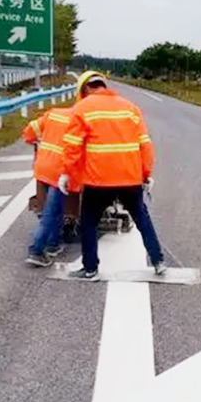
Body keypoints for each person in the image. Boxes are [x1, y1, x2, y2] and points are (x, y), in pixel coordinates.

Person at [59, 71, 166, 281]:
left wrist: (66, 174)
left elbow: (72, 147)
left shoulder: (83, 108)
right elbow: (145, 144)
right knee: (142, 218)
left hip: (99, 180)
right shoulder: (131, 108)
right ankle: (158, 261)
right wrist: (146, 174)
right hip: (130, 177)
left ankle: (90, 269)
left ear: (86, 89)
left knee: (89, 221)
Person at [22, 105, 78, 266]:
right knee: (50, 212)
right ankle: (36, 251)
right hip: (60, 172)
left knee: (57, 209)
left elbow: (29, 133)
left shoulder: (54, 114)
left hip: (43, 167)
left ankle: (53, 244)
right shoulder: (82, 120)